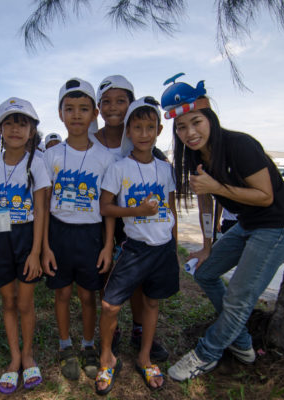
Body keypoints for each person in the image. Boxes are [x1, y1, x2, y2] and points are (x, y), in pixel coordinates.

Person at [162, 74, 284, 381]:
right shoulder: (195, 156)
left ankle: (206, 353)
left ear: (210, 116)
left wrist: (218, 186)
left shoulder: (240, 145)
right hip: (248, 224)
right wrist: (208, 245)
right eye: (181, 127)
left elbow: (265, 196)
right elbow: (206, 199)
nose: (190, 132)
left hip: (279, 225)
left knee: (240, 297)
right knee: (205, 271)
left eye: (196, 122)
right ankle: (240, 340)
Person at [95, 97, 179, 394]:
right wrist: (136, 212)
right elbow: (105, 207)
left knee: (152, 302)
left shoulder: (165, 169)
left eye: (150, 127)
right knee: (109, 304)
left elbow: (171, 209)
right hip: (134, 247)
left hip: (163, 249)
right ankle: (107, 358)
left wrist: (175, 244)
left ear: (158, 130)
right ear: (128, 131)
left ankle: (144, 357)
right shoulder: (119, 168)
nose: (144, 133)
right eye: (138, 127)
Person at [42, 78, 116, 381]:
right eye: (69, 109)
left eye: (83, 109)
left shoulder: (105, 157)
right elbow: (45, 204)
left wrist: (108, 245)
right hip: (59, 233)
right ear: (60, 114)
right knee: (61, 294)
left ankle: (88, 345)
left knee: (88, 295)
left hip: (90, 235)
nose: (76, 115)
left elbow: (107, 207)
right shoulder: (51, 155)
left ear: (94, 112)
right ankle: (65, 345)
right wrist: (45, 245)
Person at [0, 97, 50, 394]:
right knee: (7, 302)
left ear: (31, 131)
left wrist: (36, 252)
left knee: (25, 302)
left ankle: (28, 353)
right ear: (0, 129)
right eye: (9, 123)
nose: (16, 129)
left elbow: (42, 210)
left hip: (26, 236)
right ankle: (14, 357)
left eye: (23, 124)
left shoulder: (38, 164)